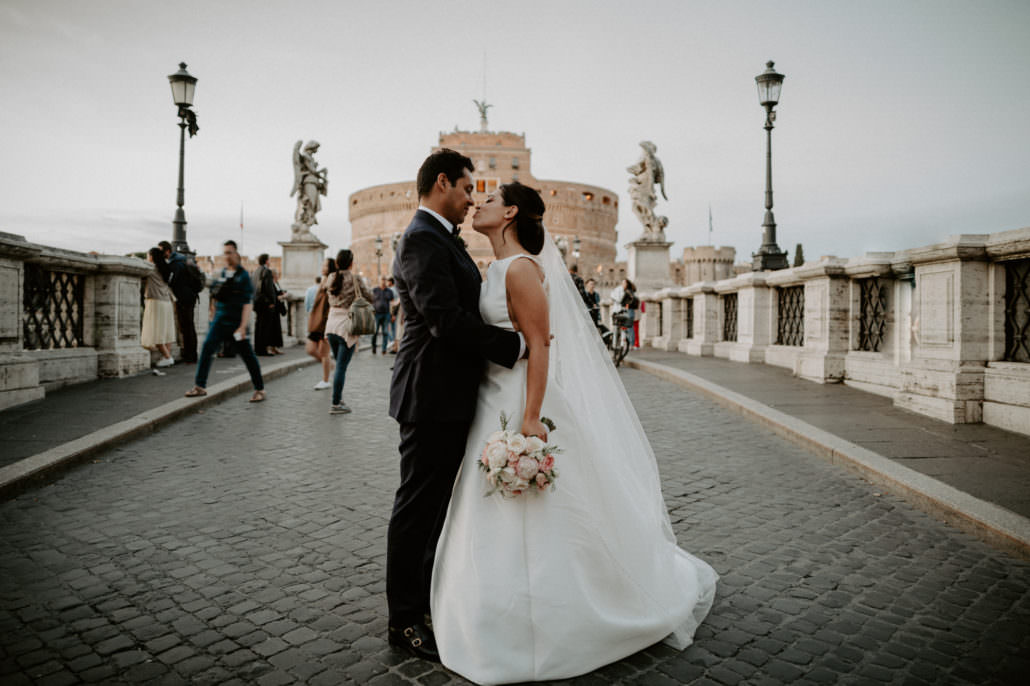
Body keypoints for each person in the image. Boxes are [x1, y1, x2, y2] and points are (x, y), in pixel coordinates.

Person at [430, 182, 717, 684]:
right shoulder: (496, 268)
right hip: (491, 400)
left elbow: (541, 345)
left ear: (512, 213)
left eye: (491, 200)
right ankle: (496, 614)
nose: (480, 204)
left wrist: (532, 416)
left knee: (537, 508)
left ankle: (550, 618)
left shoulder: (520, 269)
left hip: (518, 401)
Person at [386, 149, 524, 661]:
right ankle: (403, 622)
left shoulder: (441, 238)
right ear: (442, 182)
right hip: (429, 394)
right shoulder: (422, 239)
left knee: (435, 508)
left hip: (448, 392)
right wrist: (514, 347)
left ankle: (425, 604)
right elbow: (444, 319)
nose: (471, 201)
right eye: (467, 189)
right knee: (417, 510)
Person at [185, 240, 265, 402]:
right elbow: (215, 295)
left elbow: (248, 303)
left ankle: (259, 389)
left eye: (229, 252)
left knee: (247, 355)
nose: (227, 256)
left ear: (236, 253)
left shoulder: (243, 276)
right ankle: (200, 386)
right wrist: (213, 315)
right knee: (207, 348)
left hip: (236, 323)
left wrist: (243, 327)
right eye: (225, 252)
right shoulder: (221, 273)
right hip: (220, 322)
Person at [324, 249, 373, 414]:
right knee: (341, 367)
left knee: (339, 365)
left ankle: (338, 399)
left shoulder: (331, 277)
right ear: (351, 263)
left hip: (331, 325)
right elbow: (368, 296)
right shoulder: (355, 278)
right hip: (347, 326)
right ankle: (336, 403)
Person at [159, 241, 200, 363]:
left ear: (167, 251)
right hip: (190, 296)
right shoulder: (182, 260)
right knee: (189, 326)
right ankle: (191, 354)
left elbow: (171, 280)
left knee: (186, 326)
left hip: (184, 297)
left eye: (161, 251)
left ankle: (190, 356)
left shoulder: (176, 263)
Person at [141, 247, 176, 367]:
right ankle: (166, 356)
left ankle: (168, 357)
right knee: (166, 331)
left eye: (147, 256)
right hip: (167, 303)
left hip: (155, 301)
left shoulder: (151, 268)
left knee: (156, 331)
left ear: (151, 257)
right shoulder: (165, 268)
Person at [306, 262, 335, 390]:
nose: (322, 267)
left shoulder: (332, 281)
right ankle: (330, 365)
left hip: (325, 321)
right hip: (317, 321)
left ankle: (326, 380)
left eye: (325, 266)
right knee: (310, 349)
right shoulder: (324, 280)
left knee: (324, 352)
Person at [252, 255, 280, 356]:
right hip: (265, 304)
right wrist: (272, 302)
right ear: (266, 261)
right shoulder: (266, 271)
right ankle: (263, 349)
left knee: (258, 326)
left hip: (257, 303)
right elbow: (268, 288)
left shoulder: (255, 272)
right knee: (265, 328)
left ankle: (257, 348)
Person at [371, 275, 393, 355]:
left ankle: (384, 349)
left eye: (384, 279)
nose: (383, 281)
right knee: (374, 332)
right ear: (379, 280)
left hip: (386, 314)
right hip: (376, 314)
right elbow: (370, 301)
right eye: (382, 279)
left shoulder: (389, 291)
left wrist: (392, 314)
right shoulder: (374, 290)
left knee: (385, 332)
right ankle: (374, 347)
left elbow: (392, 303)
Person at [386, 276, 400, 354]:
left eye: (388, 281)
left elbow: (394, 304)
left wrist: (393, 314)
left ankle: (393, 344)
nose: (387, 283)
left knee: (389, 329)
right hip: (394, 313)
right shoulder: (396, 290)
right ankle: (394, 345)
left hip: (391, 313)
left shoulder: (391, 290)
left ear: (391, 282)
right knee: (393, 330)